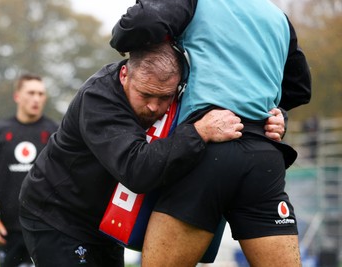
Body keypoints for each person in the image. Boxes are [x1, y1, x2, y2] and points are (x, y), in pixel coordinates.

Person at [18, 42, 284, 267]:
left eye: (164, 97)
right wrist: (199, 132)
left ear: (179, 86)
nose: (154, 107)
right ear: (125, 75)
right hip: (57, 215)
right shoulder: (98, 99)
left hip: (103, 223)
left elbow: (234, 102)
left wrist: (273, 118)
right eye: (145, 95)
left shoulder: (179, 90)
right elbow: (137, 169)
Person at [110, 0, 312, 266]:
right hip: (263, 158)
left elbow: (141, 23)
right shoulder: (278, 16)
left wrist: (121, 37)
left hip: (205, 151)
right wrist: (272, 110)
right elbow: (300, 87)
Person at [0, 74, 58, 267]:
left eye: (41, 94)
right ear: (17, 96)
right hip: (10, 232)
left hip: (48, 230)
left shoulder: (57, 132)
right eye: (31, 93)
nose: (36, 98)